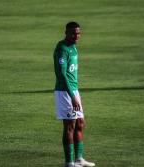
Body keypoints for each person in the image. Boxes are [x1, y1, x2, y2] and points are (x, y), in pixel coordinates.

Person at [53, 22, 95, 167]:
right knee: (70, 126)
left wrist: (75, 93)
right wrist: (73, 97)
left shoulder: (74, 48)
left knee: (80, 123)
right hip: (65, 92)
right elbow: (62, 74)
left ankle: (79, 159)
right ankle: (69, 162)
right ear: (66, 32)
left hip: (74, 90)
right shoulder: (62, 48)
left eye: (78, 33)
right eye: (73, 33)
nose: (76, 36)